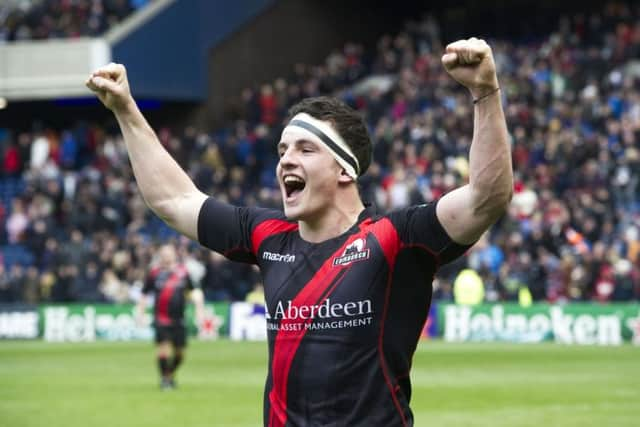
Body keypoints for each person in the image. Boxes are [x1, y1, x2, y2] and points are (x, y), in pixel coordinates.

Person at [87, 37, 512, 426]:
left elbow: (487, 197)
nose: (286, 160)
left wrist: (484, 92)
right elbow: (173, 201)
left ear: (345, 170)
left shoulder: (394, 238)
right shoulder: (266, 235)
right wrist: (126, 110)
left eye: (305, 149)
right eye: (282, 150)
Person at [136, 243, 205, 390]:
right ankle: (165, 380)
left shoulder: (183, 273)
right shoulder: (154, 273)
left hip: (179, 319)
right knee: (164, 349)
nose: (166, 256)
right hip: (161, 319)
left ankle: (170, 374)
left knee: (180, 354)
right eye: (164, 253)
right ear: (160, 255)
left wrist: (199, 310)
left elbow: (194, 293)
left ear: (174, 254)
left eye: (169, 253)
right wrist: (140, 313)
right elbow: (144, 294)